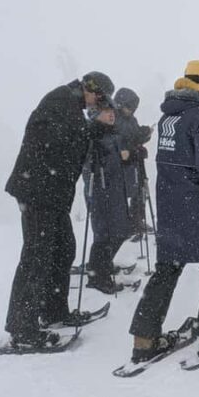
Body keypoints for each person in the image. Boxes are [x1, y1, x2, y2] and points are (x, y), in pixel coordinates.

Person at [127, 60, 199, 364]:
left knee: (167, 269)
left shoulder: (169, 116)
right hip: (196, 204)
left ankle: (144, 342)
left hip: (168, 204)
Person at [4, 71, 116, 349]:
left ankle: (53, 312)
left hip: (50, 194)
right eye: (99, 99)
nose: (96, 106)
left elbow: (72, 140)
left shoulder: (70, 106)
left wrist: (97, 128)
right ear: (91, 90)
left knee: (64, 248)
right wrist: (95, 127)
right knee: (37, 256)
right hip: (38, 192)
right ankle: (22, 330)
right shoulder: (60, 101)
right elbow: (62, 141)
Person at [82, 104, 134, 294]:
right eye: (106, 112)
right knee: (104, 234)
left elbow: (120, 159)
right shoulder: (90, 134)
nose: (111, 114)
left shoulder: (113, 133)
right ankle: (97, 276)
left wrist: (131, 156)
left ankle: (101, 265)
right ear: (95, 114)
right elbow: (86, 164)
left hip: (115, 190)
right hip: (100, 191)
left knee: (120, 231)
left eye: (112, 111)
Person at [112, 87, 153, 241]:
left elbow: (134, 138)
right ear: (120, 104)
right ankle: (126, 224)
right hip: (120, 166)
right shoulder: (113, 117)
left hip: (134, 162)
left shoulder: (131, 119)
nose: (131, 111)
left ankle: (137, 221)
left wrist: (144, 135)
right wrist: (137, 139)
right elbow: (120, 141)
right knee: (125, 193)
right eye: (129, 107)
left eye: (134, 108)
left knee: (140, 189)